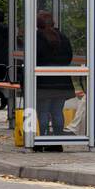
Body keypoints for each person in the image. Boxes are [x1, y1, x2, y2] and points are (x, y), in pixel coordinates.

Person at [34, 10, 73, 150]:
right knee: (57, 111)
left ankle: (41, 141)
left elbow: (34, 58)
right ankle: (57, 142)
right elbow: (69, 57)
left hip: (43, 81)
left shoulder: (36, 37)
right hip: (61, 81)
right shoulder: (62, 37)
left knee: (43, 112)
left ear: (37, 24)